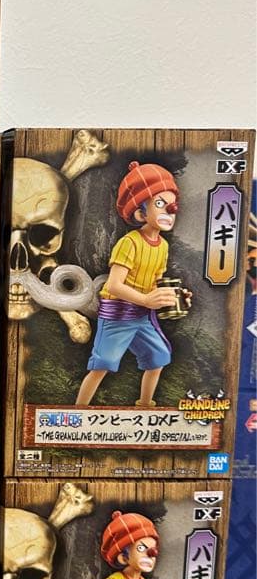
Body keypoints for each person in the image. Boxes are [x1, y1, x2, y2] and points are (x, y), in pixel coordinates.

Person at [76, 161, 190, 408]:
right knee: (102, 364)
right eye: (160, 203)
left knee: (158, 357)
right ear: (140, 213)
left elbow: (156, 281)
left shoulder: (163, 246)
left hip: (142, 316)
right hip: (118, 315)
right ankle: (78, 411)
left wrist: (176, 295)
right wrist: (146, 299)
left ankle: (145, 404)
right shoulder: (130, 243)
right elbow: (114, 285)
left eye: (172, 205)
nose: (169, 210)